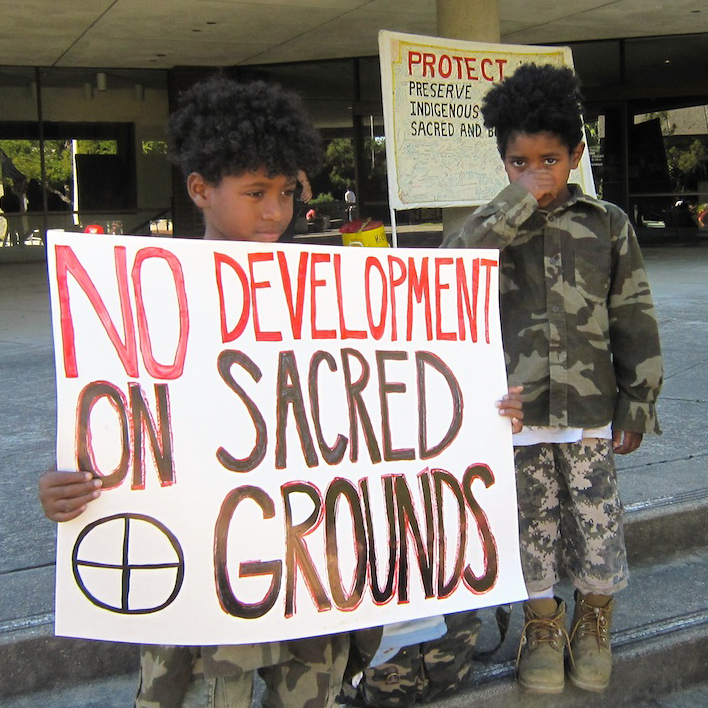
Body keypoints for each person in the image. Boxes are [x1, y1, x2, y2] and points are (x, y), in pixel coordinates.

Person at [38, 74, 348, 708]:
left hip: (304, 573)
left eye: (287, 192)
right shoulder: (146, 297)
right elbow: (115, 417)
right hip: (195, 587)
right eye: (256, 192)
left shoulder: (332, 295)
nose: (276, 212)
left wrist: (480, 410)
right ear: (201, 190)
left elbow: (378, 412)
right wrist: (67, 487)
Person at [442, 64, 663, 694]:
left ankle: (594, 618)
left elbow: (634, 316)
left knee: (596, 517)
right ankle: (542, 622)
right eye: (519, 162)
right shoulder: (491, 226)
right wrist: (513, 203)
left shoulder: (607, 223)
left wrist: (638, 403)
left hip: (589, 408)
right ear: (502, 161)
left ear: (577, 155)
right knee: (528, 520)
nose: (536, 174)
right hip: (516, 411)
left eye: (549, 160)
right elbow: (448, 271)